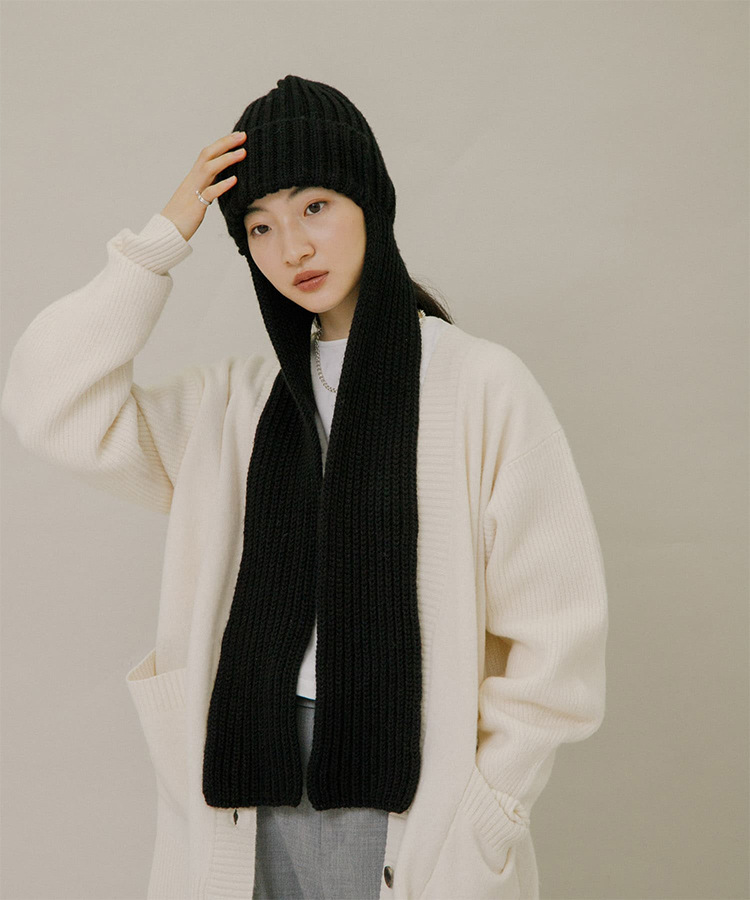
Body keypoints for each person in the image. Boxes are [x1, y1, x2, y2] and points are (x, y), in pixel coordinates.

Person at [1, 75, 609, 900]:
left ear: (369, 202)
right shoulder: (233, 406)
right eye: (260, 225)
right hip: (248, 774)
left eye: (314, 207)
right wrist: (160, 241)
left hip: (413, 793)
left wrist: (490, 811)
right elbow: (49, 404)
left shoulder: (480, 389)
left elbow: (558, 636)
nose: (292, 248)